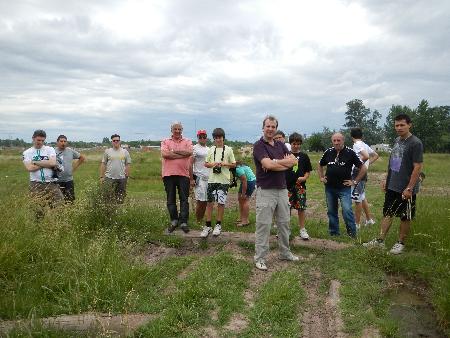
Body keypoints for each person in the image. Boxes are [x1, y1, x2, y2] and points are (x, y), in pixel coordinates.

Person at [363, 114, 423, 254]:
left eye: (402, 125)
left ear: (409, 125)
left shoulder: (415, 143)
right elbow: (394, 164)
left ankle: (400, 243)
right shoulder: (397, 141)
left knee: (405, 216)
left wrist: (409, 188)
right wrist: (386, 179)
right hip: (393, 185)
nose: (399, 128)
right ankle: (380, 241)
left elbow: (417, 167)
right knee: (388, 213)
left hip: (407, 188)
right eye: (397, 125)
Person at [253, 115, 299, 271]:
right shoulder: (259, 146)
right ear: (263, 127)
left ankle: (285, 253)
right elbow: (266, 164)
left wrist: (275, 163)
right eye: (268, 126)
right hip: (265, 190)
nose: (271, 129)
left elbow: (293, 161)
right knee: (264, 225)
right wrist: (277, 163)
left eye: (273, 127)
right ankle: (260, 258)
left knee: (284, 223)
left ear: (276, 128)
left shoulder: (280, 145)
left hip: (282, 189)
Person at [317, 132, 367, 238]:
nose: (336, 143)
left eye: (338, 140)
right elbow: (320, 164)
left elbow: (363, 167)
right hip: (330, 187)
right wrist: (321, 177)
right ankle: (334, 232)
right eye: (334, 140)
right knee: (331, 211)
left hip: (344, 188)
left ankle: (352, 234)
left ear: (343, 140)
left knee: (347, 210)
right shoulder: (328, 152)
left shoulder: (350, 152)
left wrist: (355, 181)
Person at [201, 128, 236, 238]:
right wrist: (214, 164)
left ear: (223, 138)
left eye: (220, 137)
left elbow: (234, 164)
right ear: (214, 139)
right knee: (210, 203)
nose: (218, 140)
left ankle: (218, 225)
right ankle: (208, 225)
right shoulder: (211, 149)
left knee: (221, 203)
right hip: (212, 179)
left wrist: (224, 164)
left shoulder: (229, 149)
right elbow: (206, 164)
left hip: (224, 180)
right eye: (216, 138)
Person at [22, 129, 63, 218]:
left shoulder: (49, 149)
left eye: (42, 140)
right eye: (38, 140)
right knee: (38, 209)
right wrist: (46, 163)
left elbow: (53, 163)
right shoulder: (27, 153)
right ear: (33, 139)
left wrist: (35, 162)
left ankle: (55, 225)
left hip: (51, 183)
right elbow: (30, 168)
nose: (40, 142)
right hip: (35, 184)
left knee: (59, 205)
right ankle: (39, 227)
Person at [161, 122, 193, 233]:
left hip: (183, 174)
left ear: (182, 130)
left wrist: (174, 152)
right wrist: (181, 154)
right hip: (168, 175)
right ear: (171, 130)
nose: (177, 131)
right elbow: (165, 154)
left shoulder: (187, 141)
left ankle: (183, 222)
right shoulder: (165, 141)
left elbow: (189, 152)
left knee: (184, 199)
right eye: (175, 129)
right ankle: (174, 221)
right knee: (171, 199)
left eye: (179, 129)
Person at [350, 128, 379, 228]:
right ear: (361, 136)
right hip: (363, 172)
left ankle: (356, 225)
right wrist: (367, 165)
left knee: (357, 199)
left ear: (352, 137)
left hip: (357, 173)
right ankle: (369, 220)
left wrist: (358, 164)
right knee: (362, 197)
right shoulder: (365, 145)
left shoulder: (356, 145)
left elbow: (366, 156)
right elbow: (376, 155)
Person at [286, 132, 312, 240]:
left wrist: (304, 178)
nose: (296, 146)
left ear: (300, 144)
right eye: (294, 143)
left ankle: (302, 229)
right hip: (287, 186)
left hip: (300, 187)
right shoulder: (286, 155)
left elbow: (308, 171)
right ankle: (285, 229)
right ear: (290, 143)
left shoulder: (304, 156)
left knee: (301, 208)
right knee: (287, 208)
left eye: (298, 144)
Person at [99, 134, 131, 204]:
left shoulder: (125, 152)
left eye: (117, 140)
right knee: (107, 197)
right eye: (114, 140)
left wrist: (127, 177)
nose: (116, 142)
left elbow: (128, 164)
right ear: (112, 142)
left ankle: (118, 211)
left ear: (120, 141)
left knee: (120, 198)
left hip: (122, 178)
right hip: (109, 178)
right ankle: (108, 212)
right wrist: (101, 177)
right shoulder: (107, 151)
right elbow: (103, 164)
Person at [55, 135, 86, 202]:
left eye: (65, 141)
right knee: (57, 202)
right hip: (56, 181)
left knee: (70, 200)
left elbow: (82, 158)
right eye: (61, 141)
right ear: (57, 142)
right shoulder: (52, 152)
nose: (63, 143)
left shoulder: (70, 151)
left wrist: (73, 168)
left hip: (68, 180)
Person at [191, 129, 209, 226]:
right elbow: (190, 164)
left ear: (206, 138)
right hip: (199, 177)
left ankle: (202, 220)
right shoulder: (194, 148)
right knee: (200, 201)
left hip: (208, 178)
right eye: (200, 137)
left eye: (204, 136)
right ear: (198, 138)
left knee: (205, 201)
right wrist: (191, 179)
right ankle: (198, 221)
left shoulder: (209, 149)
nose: (202, 138)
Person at [234, 161, 256, 227]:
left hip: (250, 182)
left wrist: (243, 194)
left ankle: (245, 221)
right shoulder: (237, 167)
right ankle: (241, 218)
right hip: (246, 181)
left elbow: (245, 181)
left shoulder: (238, 169)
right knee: (239, 198)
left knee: (245, 199)